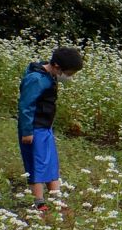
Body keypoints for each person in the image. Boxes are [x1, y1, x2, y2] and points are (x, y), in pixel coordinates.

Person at [18, 46, 83, 210]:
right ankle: (38, 201)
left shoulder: (50, 76)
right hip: (34, 129)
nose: (68, 77)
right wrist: (27, 132)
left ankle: (56, 197)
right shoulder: (36, 79)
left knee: (50, 161)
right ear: (56, 66)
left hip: (45, 127)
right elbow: (26, 106)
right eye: (68, 74)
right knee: (36, 162)